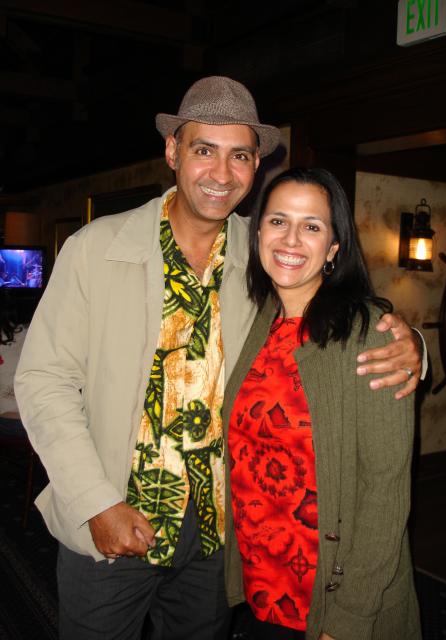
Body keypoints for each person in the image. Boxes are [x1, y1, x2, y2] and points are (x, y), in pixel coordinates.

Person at [14, 77, 423, 640]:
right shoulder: (96, 249)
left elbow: (330, 308)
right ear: (172, 151)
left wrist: (409, 343)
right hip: (115, 521)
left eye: (241, 156)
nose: (222, 173)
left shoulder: (262, 257)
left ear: (257, 165)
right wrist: (93, 502)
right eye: (204, 149)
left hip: (219, 536)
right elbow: (43, 380)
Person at [223, 167, 422, 640]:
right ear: (258, 234)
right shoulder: (258, 318)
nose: (290, 239)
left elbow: (385, 494)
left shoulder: (370, 335)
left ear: (334, 247)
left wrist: (348, 619)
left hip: (327, 596)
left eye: (311, 226)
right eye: (278, 221)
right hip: (259, 579)